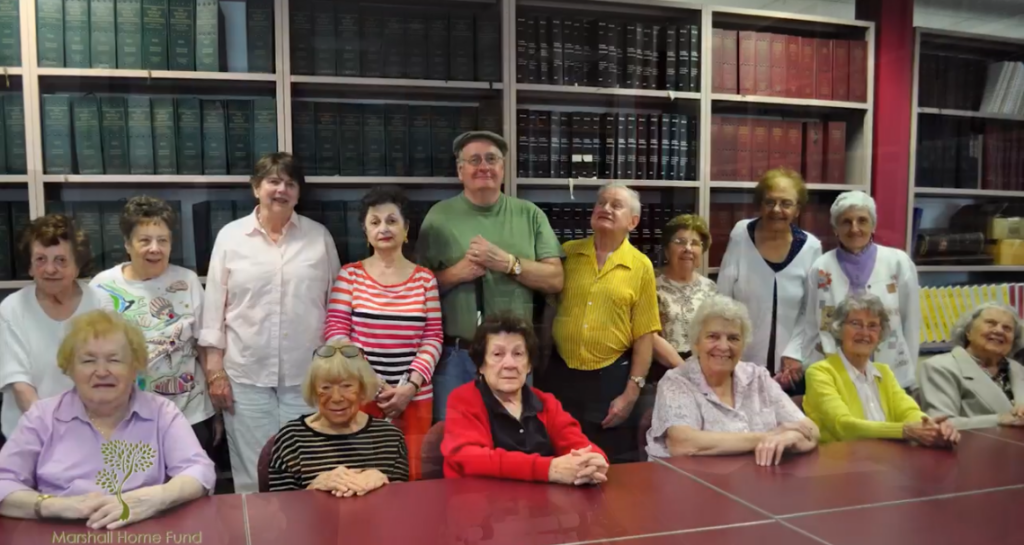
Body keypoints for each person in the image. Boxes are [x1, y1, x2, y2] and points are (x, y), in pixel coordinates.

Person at [200, 152, 341, 493]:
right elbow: (213, 311)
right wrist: (215, 372)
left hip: (306, 378)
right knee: (252, 472)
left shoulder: (319, 237)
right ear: (255, 188)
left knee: (306, 466)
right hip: (246, 377)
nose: (281, 190)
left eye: (290, 184)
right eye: (273, 182)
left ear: (298, 193)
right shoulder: (231, 238)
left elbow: (337, 306)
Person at [0, 310, 214, 528]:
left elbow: (199, 470)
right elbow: (3, 483)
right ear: (70, 369)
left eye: (114, 360)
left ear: (135, 368)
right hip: (60, 533)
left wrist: (154, 499)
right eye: (88, 361)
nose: (101, 371)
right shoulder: (42, 417)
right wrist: (53, 506)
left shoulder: (161, 412)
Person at [416, 131, 564, 422]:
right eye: (474, 160)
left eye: (492, 159)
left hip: (513, 358)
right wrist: (456, 274)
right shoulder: (438, 216)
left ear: (503, 168)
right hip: (456, 356)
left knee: (513, 442)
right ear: (461, 171)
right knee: (454, 445)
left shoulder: (530, 214)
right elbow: (415, 288)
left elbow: (555, 280)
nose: (484, 166)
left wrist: (508, 263)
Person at [324, 186, 442, 481]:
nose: (384, 228)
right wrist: (371, 381)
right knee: (360, 475)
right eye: (374, 222)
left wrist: (410, 387)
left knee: (412, 474)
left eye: (392, 221)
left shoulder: (424, 279)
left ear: (406, 229)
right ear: (366, 233)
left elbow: (433, 337)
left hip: (413, 396)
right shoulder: (350, 275)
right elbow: (335, 332)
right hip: (360, 392)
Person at [542, 183, 661, 464]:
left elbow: (645, 334)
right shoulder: (568, 253)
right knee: (560, 457)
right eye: (601, 203)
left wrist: (631, 393)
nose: (605, 208)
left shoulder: (640, 266)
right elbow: (548, 310)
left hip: (610, 381)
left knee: (607, 465)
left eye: (616, 205)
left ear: (633, 222)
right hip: (560, 375)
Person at [90, 196, 218, 455]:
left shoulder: (188, 281)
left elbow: (204, 345)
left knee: (193, 488)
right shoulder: (102, 287)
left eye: (162, 240)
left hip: (189, 414)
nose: (155, 248)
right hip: (125, 418)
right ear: (127, 243)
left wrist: (216, 411)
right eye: (144, 240)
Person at [646, 295, 819, 466]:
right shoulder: (676, 382)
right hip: (687, 484)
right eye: (713, 336)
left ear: (743, 344)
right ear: (696, 342)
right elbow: (683, 443)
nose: (723, 346)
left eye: (733, 338)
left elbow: (811, 431)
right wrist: (766, 437)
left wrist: (792, 437)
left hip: (753, 481)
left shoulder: (758, 378)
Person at [442, 313, 608, 484]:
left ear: (529, 365)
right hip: (481, 501)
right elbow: (470, 459)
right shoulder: (463, 399)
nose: (510, 364)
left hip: (542, 504)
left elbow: (580, 445)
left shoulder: (545, 403)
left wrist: (594, 462)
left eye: (518, 354)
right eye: (498, 354)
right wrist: (548, 469)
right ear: (481, 365)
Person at [0, 214, 111, 439]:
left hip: (91, 431)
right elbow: (21, 387)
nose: (50, 269)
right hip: (28, 435)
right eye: (40, 259)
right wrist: (55, 434)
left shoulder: (100, 304)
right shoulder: (11, 309)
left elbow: (110, 373)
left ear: (77, 267)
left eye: (61, 260)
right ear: (30, 267)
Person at [797, 191, 920, 391]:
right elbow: (811, 324)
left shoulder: (898, 262)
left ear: (873, 226)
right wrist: (809, 369)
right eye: (846, 222)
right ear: (836, 228)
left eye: (862, 221)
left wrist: (910, 373)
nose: (854, 229)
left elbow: (911, 322)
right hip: (835, 375)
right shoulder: (821, 267)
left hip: (891, 371)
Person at [803, 293, 960, 446]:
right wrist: (904, 431)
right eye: (856, 324)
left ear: (880, 334)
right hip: (842, 464)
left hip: (888, 460)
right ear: (839, 329)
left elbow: (908, 411)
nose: (864, 333)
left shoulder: (884, 372)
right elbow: (843, 426)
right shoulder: (820, 372)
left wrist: (931, 427)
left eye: (872, 326)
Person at [717, 168, 822, 391]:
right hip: (740, 359)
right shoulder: (741, 234)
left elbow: (811, 309)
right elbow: (723, 297)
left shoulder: (811, 247)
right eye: (770, 202)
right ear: (760, 204)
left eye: (786, 203)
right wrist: (725, 346)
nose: (777, 210)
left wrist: (794, 352)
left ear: (797, 210)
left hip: (791, 367)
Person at [267, 343, 408, 494]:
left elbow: (401, 505)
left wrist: (385, 482)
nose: (336, 397)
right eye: (325, 387)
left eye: (346, 386)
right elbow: (281, 509)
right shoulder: (291, 439)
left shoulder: (389, 437)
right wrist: (313, 487)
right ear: (313, 390)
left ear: (362, 388)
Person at [920, 302, 1024, 429]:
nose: (999, 331)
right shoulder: (939, 367)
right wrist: (998, 419)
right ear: (968, 332)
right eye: (990, 323)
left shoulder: (1018, 369)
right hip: (972, 447)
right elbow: (940, 424)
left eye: (1007, 328)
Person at [653, 214, 717, 379]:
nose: (688, 248)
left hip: (705, 370)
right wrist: (687, 372)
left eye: (695, 243)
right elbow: (649, 337)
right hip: (664, 371)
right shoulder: (651, 285)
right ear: (667, 250)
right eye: (680, 242)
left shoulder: (710, 288)